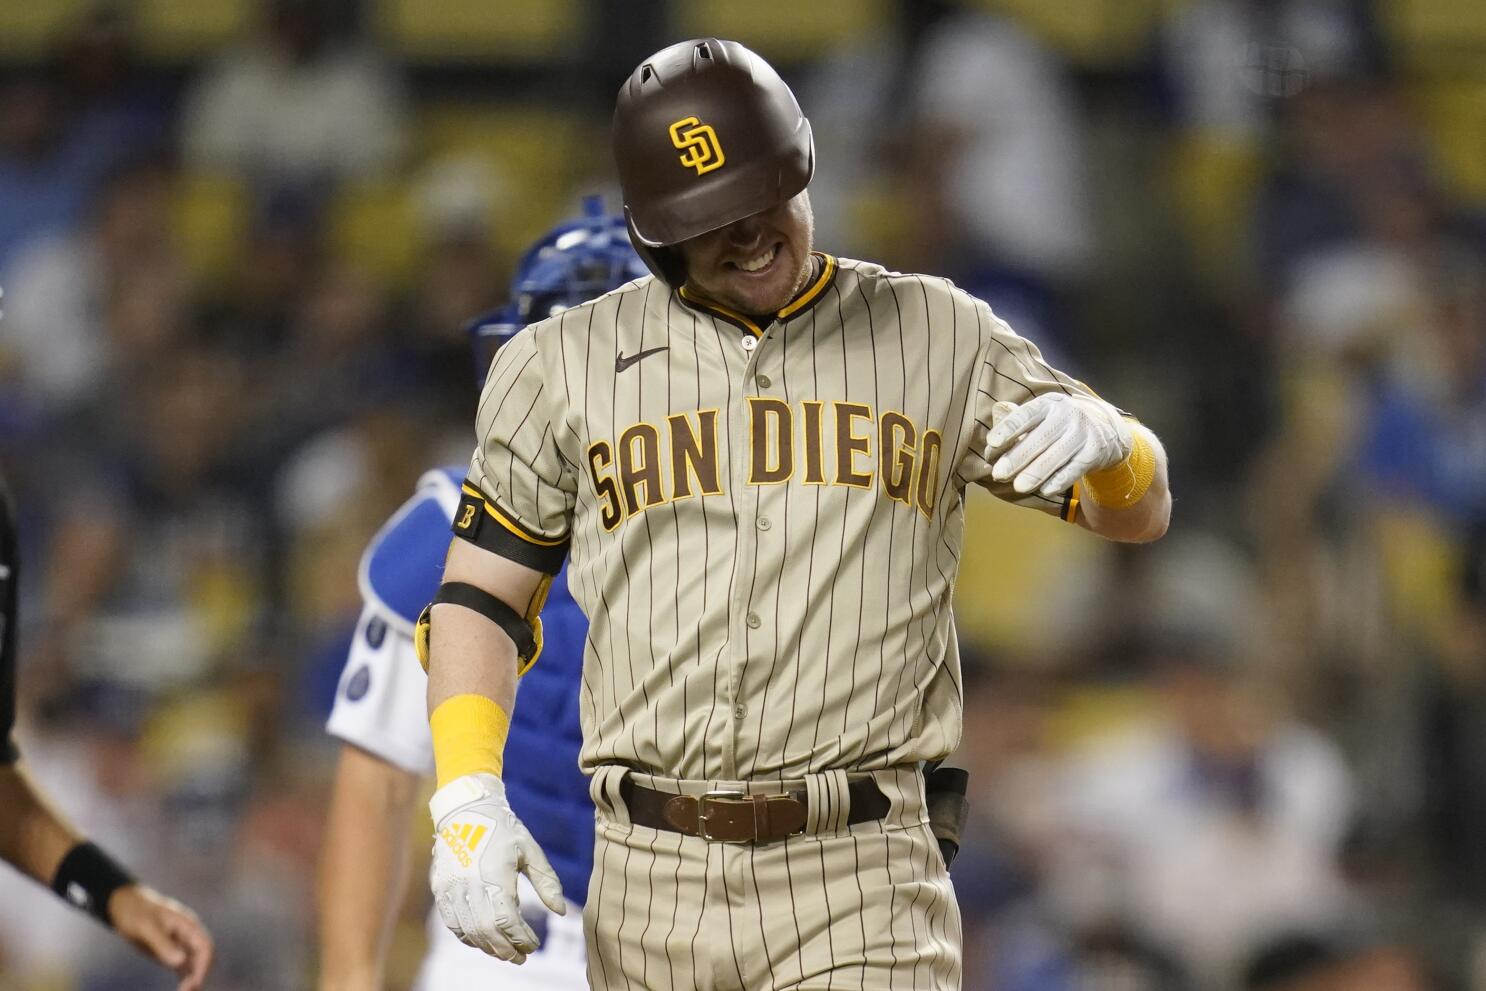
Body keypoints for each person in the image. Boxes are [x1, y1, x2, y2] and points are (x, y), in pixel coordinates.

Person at [419, 38, 1171, 990]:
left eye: (763, 198)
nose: (748, 233)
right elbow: (481, 597)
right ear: (655, 233)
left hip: (859, 868)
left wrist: (1117, 447)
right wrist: (467, 794)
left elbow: (1138, 515)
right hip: (648, 873)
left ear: (803, 167)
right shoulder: (558, 363)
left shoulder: (940, 330)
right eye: (711, 218)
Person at [316, 200, 649, 990]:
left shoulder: (750, 525)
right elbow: (378, 781)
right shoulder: (441, 526)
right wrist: (348, 977)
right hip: (504, 949)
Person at [0, 473, 214, 990]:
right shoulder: (42, 618)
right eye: (76, 545)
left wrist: (113, 894)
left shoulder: (144, 619)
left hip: (96, 800)